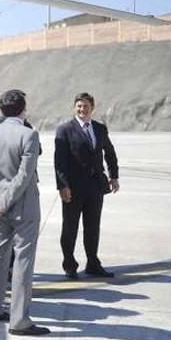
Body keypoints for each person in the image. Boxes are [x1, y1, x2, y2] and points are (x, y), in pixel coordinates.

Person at [0, 89, 49, 336]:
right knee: (23, 261)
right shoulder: (29, 135)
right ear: (22, 109)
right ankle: (19, 320)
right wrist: (3, 203)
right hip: (23, 207)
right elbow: (24, 177)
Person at [54, 92, 119, 279]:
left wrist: (114, 176)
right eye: (79, 106)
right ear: (75, 107)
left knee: (92, 227)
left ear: (92, 108)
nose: (82, 109)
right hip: (72, 189)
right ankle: (70, 265)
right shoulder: (65, 129)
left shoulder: (99, 128)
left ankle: (93, 263)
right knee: (70, 228)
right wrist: (62, 186)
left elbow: (110, 152)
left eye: (86, 106)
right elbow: (59, 161)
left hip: (96, 187)